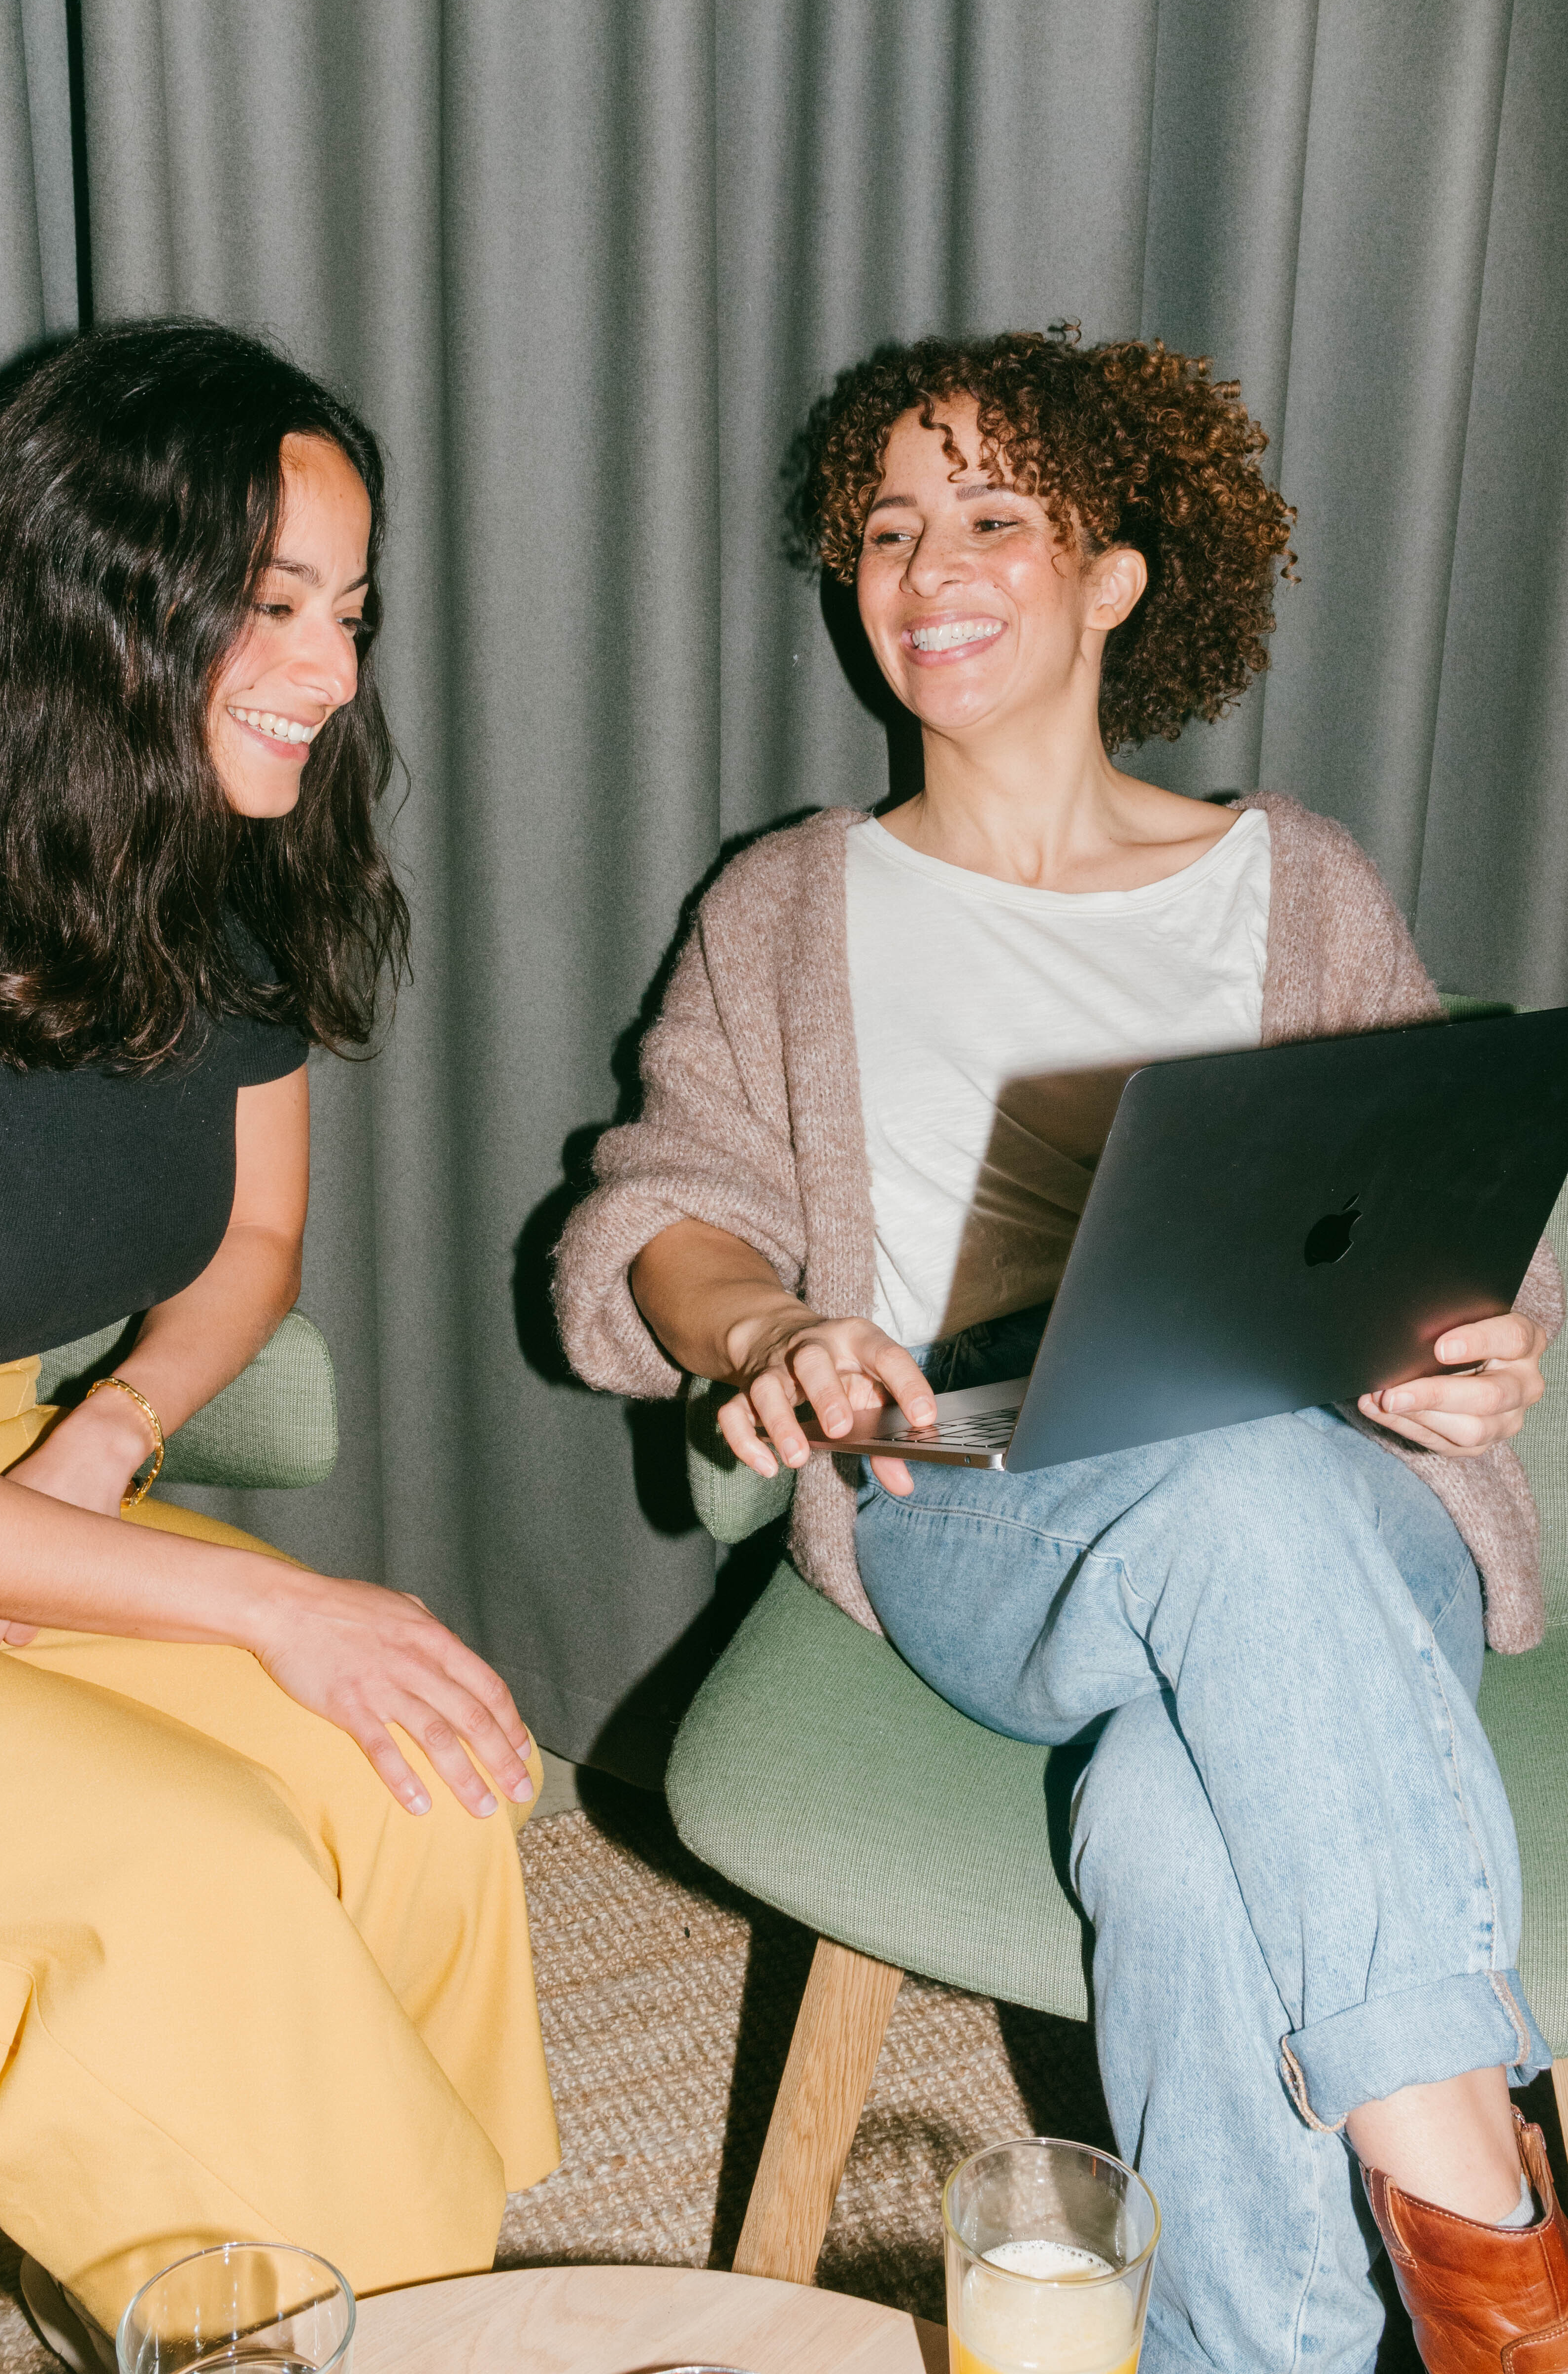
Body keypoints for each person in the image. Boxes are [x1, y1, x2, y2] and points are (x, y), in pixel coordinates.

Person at [556, 327, 1566, 2374]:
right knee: (1208, 1582)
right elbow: (651, 1202)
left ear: (1114, 575)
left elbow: (1435, 1236)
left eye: (993, 518)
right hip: (983, 1511)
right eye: (885, 531)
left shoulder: (1297, 878)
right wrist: (758, 1319)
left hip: (1335, 1506)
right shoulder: (788, 905)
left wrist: (1465, 1353)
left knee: (1174, 1813)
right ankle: (1474, 2194)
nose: (925, 567)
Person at [0, 320, 558, 2356]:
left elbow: (258, 1235)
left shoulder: (210, 871)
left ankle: (396, 2303)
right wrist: (273, 1613)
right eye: (272, 602)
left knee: (422, 1777)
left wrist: (97, 1442)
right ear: (89, 611)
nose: (331, 666)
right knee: (198, 1870)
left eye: (352, 607)